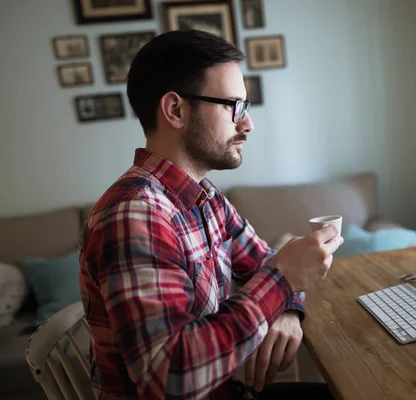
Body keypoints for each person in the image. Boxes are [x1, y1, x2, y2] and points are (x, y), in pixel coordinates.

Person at [79, 29, 344, 400]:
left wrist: (288, 310)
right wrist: (282, 281)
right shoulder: (135, 215)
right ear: (175, 110)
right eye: (233, 105)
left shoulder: (203, 197)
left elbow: (264, 261)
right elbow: (170, 377)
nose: (247, 123)